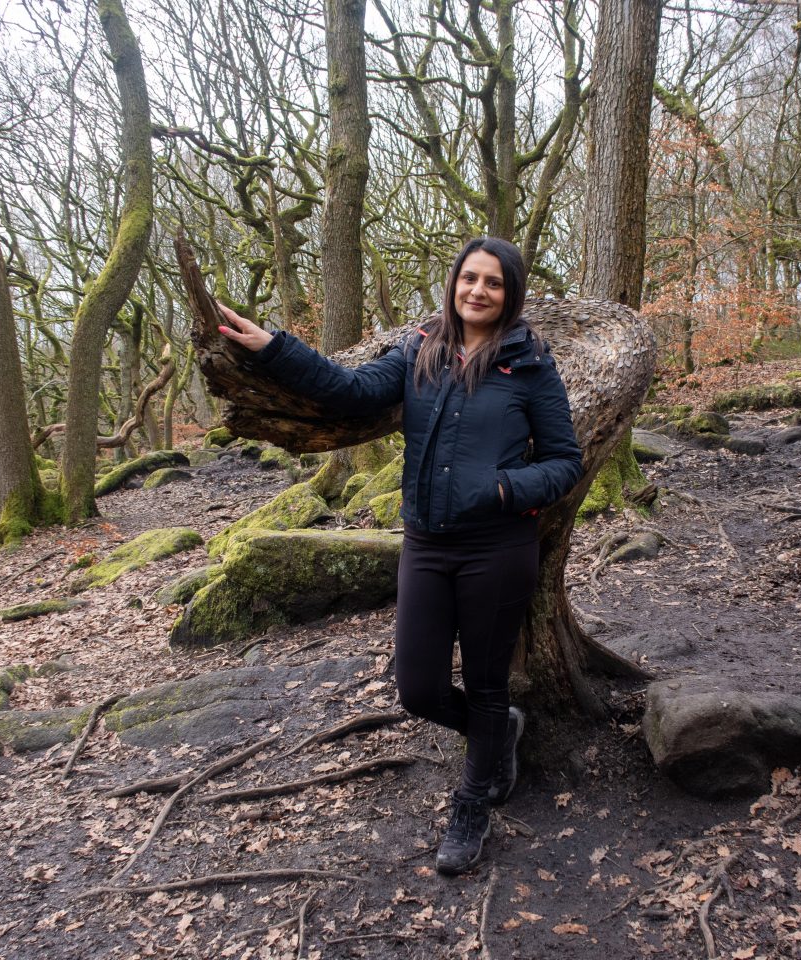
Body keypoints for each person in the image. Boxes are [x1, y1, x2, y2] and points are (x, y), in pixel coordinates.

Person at [215, 236, 583, 875]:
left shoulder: (530, 365)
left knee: (487, 683)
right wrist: (273, 348)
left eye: (493, 283)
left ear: (510, 294)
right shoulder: (421, 349)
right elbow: (351, 390)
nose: (478, 291)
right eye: (469, 278)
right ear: (454, 282)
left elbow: (564, 463)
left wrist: (501, 488)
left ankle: (473, 803)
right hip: (425, 542)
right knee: (417, 689)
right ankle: (498, 732)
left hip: (496, 547)